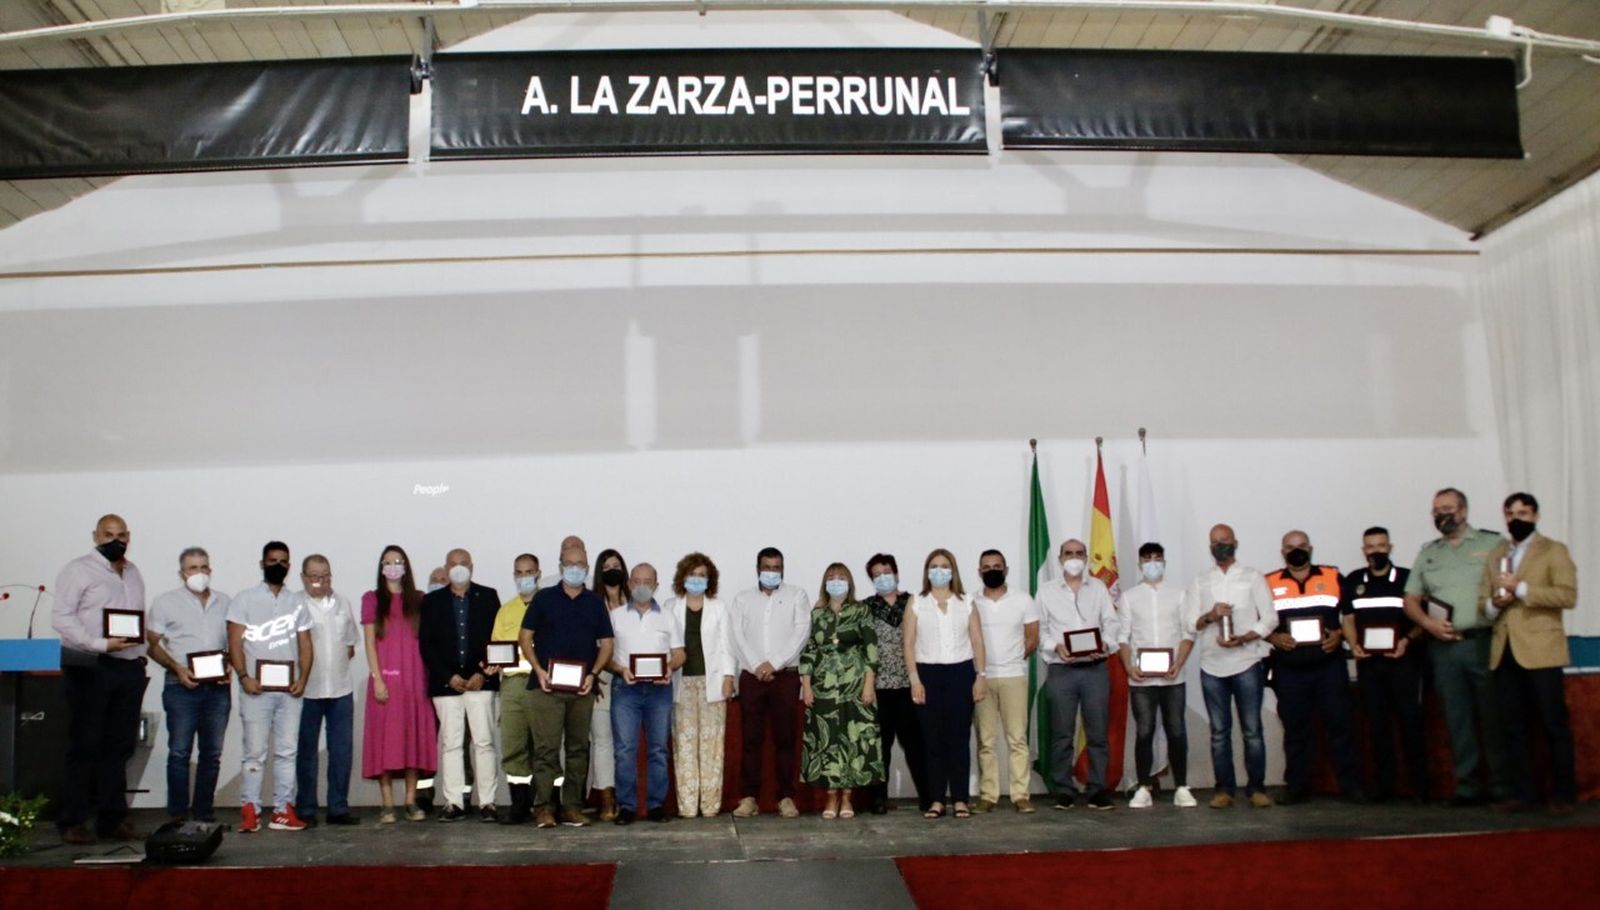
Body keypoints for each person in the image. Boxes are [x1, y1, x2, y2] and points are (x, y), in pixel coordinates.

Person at [1402, 488, 1510, 807]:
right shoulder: (1428, 553)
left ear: (1463, 511)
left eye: (1447, 509)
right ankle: (1468, 787)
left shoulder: (1492, 544)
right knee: (1458, 719)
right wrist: (1428, 625)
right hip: (1444, 648)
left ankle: (1502, 786)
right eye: (1436, 511)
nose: (1441, 515)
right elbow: (1410, 600)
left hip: (1483, 642)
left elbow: (1507, 586)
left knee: (1493, 717)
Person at [52, 514, 149, 845]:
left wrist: (140, 652)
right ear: (95, 536)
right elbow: (61, 618)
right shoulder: (78, 570)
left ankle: (112, 819)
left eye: (121, 535)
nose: (115, 541)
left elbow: (136, 617)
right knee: (85, 744)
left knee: (119, 747)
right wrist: (97, 644)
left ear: (129, 536)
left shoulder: (133, 572)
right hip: (89, 664)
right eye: (108, 535)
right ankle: (73, 820)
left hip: (126, 666)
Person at [1482, 492, 1578, 815]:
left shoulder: (1554, 550)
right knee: (1512, 726)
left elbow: (1567, 595)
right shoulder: (1496, 555)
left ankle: (1563, 794)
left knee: (1553, 724)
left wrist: (1520, 589)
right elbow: (1484, 604)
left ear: (1536, 516)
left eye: (1522, 512)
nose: (1515, 519)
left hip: (1541, 651)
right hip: (1505, 650)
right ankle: (1524, 794)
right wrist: (1495, 603)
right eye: (1509, 513)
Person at [521, 543, 615, 828]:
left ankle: (573, 807)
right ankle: (544, 808)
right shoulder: (544, 598)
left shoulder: (595, 603)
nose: (575, 569)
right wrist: (538, 670)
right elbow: (525, 638)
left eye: (581, 565)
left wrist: (593, 673)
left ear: (587, 569)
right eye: (570, 564)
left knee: (578, 750)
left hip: (582, 690)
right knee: (547, 751)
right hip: (546, 689)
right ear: (561, 566)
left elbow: (607, 644)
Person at [1264, 531, 1362, 804]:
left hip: (1329, 666)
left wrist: (1340, 635)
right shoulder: (1269, 582)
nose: (1297, 551)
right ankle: (1297, 786)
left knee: (1340, 726)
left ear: (1311, 549)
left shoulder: (1332, 576)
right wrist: (1273, 637)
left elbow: (1350, 617)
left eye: (1302, 546)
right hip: (1290, 669)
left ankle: (1350, 785)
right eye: (1291, 547)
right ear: (1283, 552)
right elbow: (1257, 621)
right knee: (1295, 730)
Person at [1182, 524, 1275, 809]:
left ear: (1235, 542)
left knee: (1252, 730)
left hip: (1246, 660)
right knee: (1219, 732)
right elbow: (1190, 624)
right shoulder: (1201, 580)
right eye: (1214, 542)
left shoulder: (1252, 576)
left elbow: (1270, 618)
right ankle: (1224, 789)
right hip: (1212, 666)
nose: (1220, 545)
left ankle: (1256, 788)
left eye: (1224, 541)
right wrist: (1210, 615)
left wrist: (1247, 636)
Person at [227, 540, 315, 832]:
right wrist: (243, 676)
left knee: (287, 752)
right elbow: (235, 641)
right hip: (256, 690)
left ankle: (281, 810)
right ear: (262, 563)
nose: (278, 565)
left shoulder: (298, 602)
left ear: (289, 566)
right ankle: (250, 809)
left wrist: (303, 679)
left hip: (290, 692)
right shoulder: (244, 599)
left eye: (283, 561)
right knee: (254, 752)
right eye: (272, 560)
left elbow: (305, 644)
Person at [1339, 527, 1427, 803]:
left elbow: (1421, 620)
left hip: (1402, 663)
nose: (1375, 551)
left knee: (1410, 725)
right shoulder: (1354, 580)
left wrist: (1406, 642)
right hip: (1369, 667)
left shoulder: (1407, 578)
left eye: (1380, 546)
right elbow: (1349, 620)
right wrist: (1353, 645)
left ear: (1390, 547)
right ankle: (1384, 787)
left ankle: (1419, 787)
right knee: (1377, 728)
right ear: (1364, 550)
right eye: (1370, 546)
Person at [146, 547, 232, 824]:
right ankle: (178, 815)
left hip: (217, 689)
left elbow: (232, 645)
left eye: (204, 567)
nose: (199, 573)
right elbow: (153, 645)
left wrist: (228, 666)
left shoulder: (225, 602)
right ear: (181, 573)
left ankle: (204, 813)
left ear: (210, 570)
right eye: (193, 568)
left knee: (212, 754)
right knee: (180, 752)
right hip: (180, 686)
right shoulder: (165, 602)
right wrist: (177, 668)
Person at [1036, 538, 1121, 811]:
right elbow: (1040, 631)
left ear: (1086, 558)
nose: (1074, 557)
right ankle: (1064, 789)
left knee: (1097, 733)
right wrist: (1056, 647)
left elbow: (1111, 622)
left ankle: (1097, 789)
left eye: (1079, 553)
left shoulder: (1098, 588)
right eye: (1068, 553)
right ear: (1060, 559)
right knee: (1062, 733)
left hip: (1095, 669)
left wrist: (1106, 644)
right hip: (1062, 670)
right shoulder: (1047, 591)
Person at [419, 548, 502, 822]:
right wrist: (448, 676)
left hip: (481, 683)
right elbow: (426, 645)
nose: (458, 568)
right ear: (446, 567)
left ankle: (488, 802)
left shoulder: (488, 597)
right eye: (453, 564)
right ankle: (454, 802)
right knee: (451, 744)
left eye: (463, 563)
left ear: (472, 567)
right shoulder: (432, 601)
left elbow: (496, 639)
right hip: (447, 686)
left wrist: (482, 673)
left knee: (484, 742)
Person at [904, 548, 987, 819]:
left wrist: (980, 676)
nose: (939, 571)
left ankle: (961, 799)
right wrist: (915, 679)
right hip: (927, 674)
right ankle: (937, 800)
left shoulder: (966, 601)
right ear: (927, 571)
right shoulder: (917, 601)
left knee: (958, 739)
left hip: (960, 673)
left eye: (944, 566)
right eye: (934, 566)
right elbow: (908, 643)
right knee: (932, 740)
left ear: (953, 571)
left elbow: (977, 641)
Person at [730, 547, 812, 819]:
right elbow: (737, 636)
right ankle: (749, 798)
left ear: (783, 569)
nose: (771, 572)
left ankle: (786, 797)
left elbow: (801, 632)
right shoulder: (742, 599)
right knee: (751, 739)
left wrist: (773, 663)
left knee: (785, 739)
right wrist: (757, 665)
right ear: (757, 568)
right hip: (751, 677)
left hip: (785, 676)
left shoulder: (796, 595)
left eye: (776, 568)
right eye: (767, 567)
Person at [1116, 542, 1196, 809]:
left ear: (1164, 561)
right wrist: (1129, 666)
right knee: (1144, 732)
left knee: (1176, 731)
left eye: (1157, 558)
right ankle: (1143, 787)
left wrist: (1179, 663)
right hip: (1141, 679)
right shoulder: (1129, 597)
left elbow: (1187, 634)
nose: (1152, 562)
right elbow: (1122, 637)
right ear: (1139, 564)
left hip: (1174, 677)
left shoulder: (1179, 595)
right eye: (1147, 558)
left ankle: (1182, 786)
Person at [801, 563, 883, 819]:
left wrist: (869, 683)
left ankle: (847, 796)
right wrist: (805, 685)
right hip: (824, 684)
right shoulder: (817, 614)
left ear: (850, 583)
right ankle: (831, 796)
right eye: (832, 578)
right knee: (827, 740)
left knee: (852, 739)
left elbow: (871, 648)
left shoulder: (861, 610)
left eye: (842, 577)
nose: (836, 581)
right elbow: (810, 650)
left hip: (855, 683)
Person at [362, 545, 436, 824]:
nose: (393, 566)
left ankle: (409, 800)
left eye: (398, 561)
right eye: (388, 562)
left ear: (406, 567)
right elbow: (370, 642)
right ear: (381, 568)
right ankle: (387, 803)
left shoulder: (419, 599)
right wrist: (377, 678)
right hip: (386, 681)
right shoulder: (371, 599)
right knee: (385, 740)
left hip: (415, 679)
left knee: (411, 738)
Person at [607, 563, 685, 825]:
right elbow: (605, 655)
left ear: (656, 585)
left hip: (659, 690)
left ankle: (656, 805)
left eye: (647, 581)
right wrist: (619, 669)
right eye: (637, 581)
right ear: (629, 584)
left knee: (658, 750)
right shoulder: (616, 616)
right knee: (625, 750)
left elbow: (680, 653)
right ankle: (626, 806)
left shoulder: (668, 616)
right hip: (625, 688)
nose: (642, 586)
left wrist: (670, 668)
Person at [668, 552, 737, 818]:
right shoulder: (670, 607)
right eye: (692, 575)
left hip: (713, 684)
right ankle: (687, 806)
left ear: (710, 580)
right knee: (684, 747)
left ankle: (710, 806)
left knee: (712, 747)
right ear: (682, 578)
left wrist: (729, 678)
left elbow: (726, 645)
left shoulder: (719, 607)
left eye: (702, 576)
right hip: (680, 684)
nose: (696, 580)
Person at [294, 555, 361, 826]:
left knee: (342, 750)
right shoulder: (294, 604)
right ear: (303, 577)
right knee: (307, 751)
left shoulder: (342, 602)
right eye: (314, 576)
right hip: (307, 691)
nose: (320, 581)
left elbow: (350, 644)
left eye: (325, 576)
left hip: (341, 689)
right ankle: (306, 809)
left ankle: (338, 808)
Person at [971, 549, 1039, 814]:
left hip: (1013, 676)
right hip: (982, 678)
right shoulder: (971, 602)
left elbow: (1032, 637)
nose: (992, 571)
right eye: (986, 567)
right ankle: (988, 795)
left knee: (1017, 739)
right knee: (986, 741)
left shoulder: (1023, 599)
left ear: (1006, 569)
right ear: (979, 572)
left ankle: (1020, 794)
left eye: (997, 566)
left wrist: (1013, 657)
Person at [862, 553, 927, 815]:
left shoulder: (914, 603)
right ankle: (878, 798)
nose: (882, 577)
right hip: (879, 687)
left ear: (897, 574)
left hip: (909, 684)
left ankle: (928, 796)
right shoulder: (866, 607)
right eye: (876, 574)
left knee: (916, 745)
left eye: (886, 572)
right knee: (880, 746)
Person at [493, 553, 542, 825]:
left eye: (529, 572)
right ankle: (520, 805)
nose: (524, 577)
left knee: (544, 747)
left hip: (542, 683)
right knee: (513, 745)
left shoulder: (549, 605)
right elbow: (497, 649)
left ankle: (545, 804)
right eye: (519, 572)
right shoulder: (506, 610)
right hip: (512, 684)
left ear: (538, 573)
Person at [589, 547, 628, 821]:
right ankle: (606, 798)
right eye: (606, 567)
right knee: (602, 740)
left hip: (631, 680)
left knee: (624, 742)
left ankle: (626, 798)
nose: (612, 570)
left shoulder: (636, 601)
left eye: (616, 565)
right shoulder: (591, 603)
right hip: (600, 678)